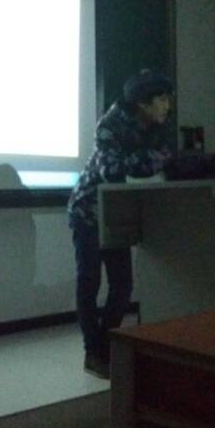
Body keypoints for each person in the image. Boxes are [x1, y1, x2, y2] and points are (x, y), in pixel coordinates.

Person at [67, 69, 174, 378]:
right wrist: (152, 160)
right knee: (90, 282)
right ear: (142, 102)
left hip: (116, 211)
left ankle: (105, 346)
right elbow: (112, 170)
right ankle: (93, 352)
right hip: (87, 212)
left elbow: (168, 156)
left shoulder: (155, 127)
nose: (167, 106)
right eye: (161, 99)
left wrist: (152, 160)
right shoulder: (109, 124)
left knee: (123, 284)